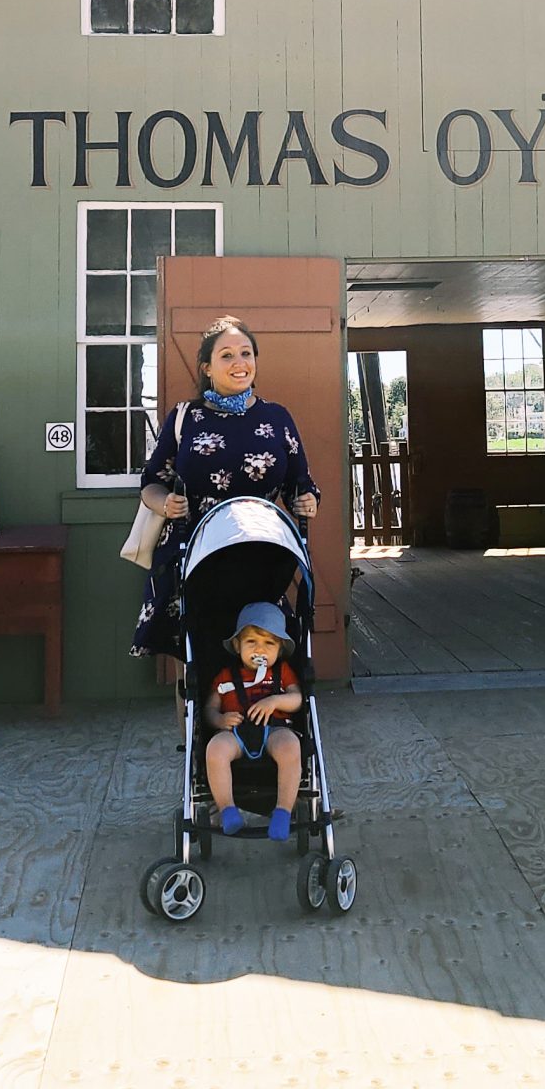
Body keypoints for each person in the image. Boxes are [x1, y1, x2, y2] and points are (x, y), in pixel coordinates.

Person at [131, 315, 321, 667]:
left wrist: (308, 501)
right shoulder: (185, 418)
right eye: (227, 355)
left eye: (246, 353)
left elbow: (303, 486)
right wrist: (166, 504)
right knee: (195, 663)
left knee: (258, 653)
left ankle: (260, 722)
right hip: (194, 555)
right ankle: (202, 723)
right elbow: (151, 482)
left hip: (260, 559)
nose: (239, 363)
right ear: (207, 367)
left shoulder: (277, 418)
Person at [206, 601, 303, 840]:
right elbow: (209, 708)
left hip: (274, 729)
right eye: (251, 642)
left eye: (269, 643)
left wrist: (275, 702)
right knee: (215, 749)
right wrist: (219, 720)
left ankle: (282, 812)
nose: (260, 650)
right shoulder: (226, 675)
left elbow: (297, 699)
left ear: (279, 649)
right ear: (238, 645)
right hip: (235, 732)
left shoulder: (282, 671)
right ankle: (228, 809)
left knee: (291, 747)